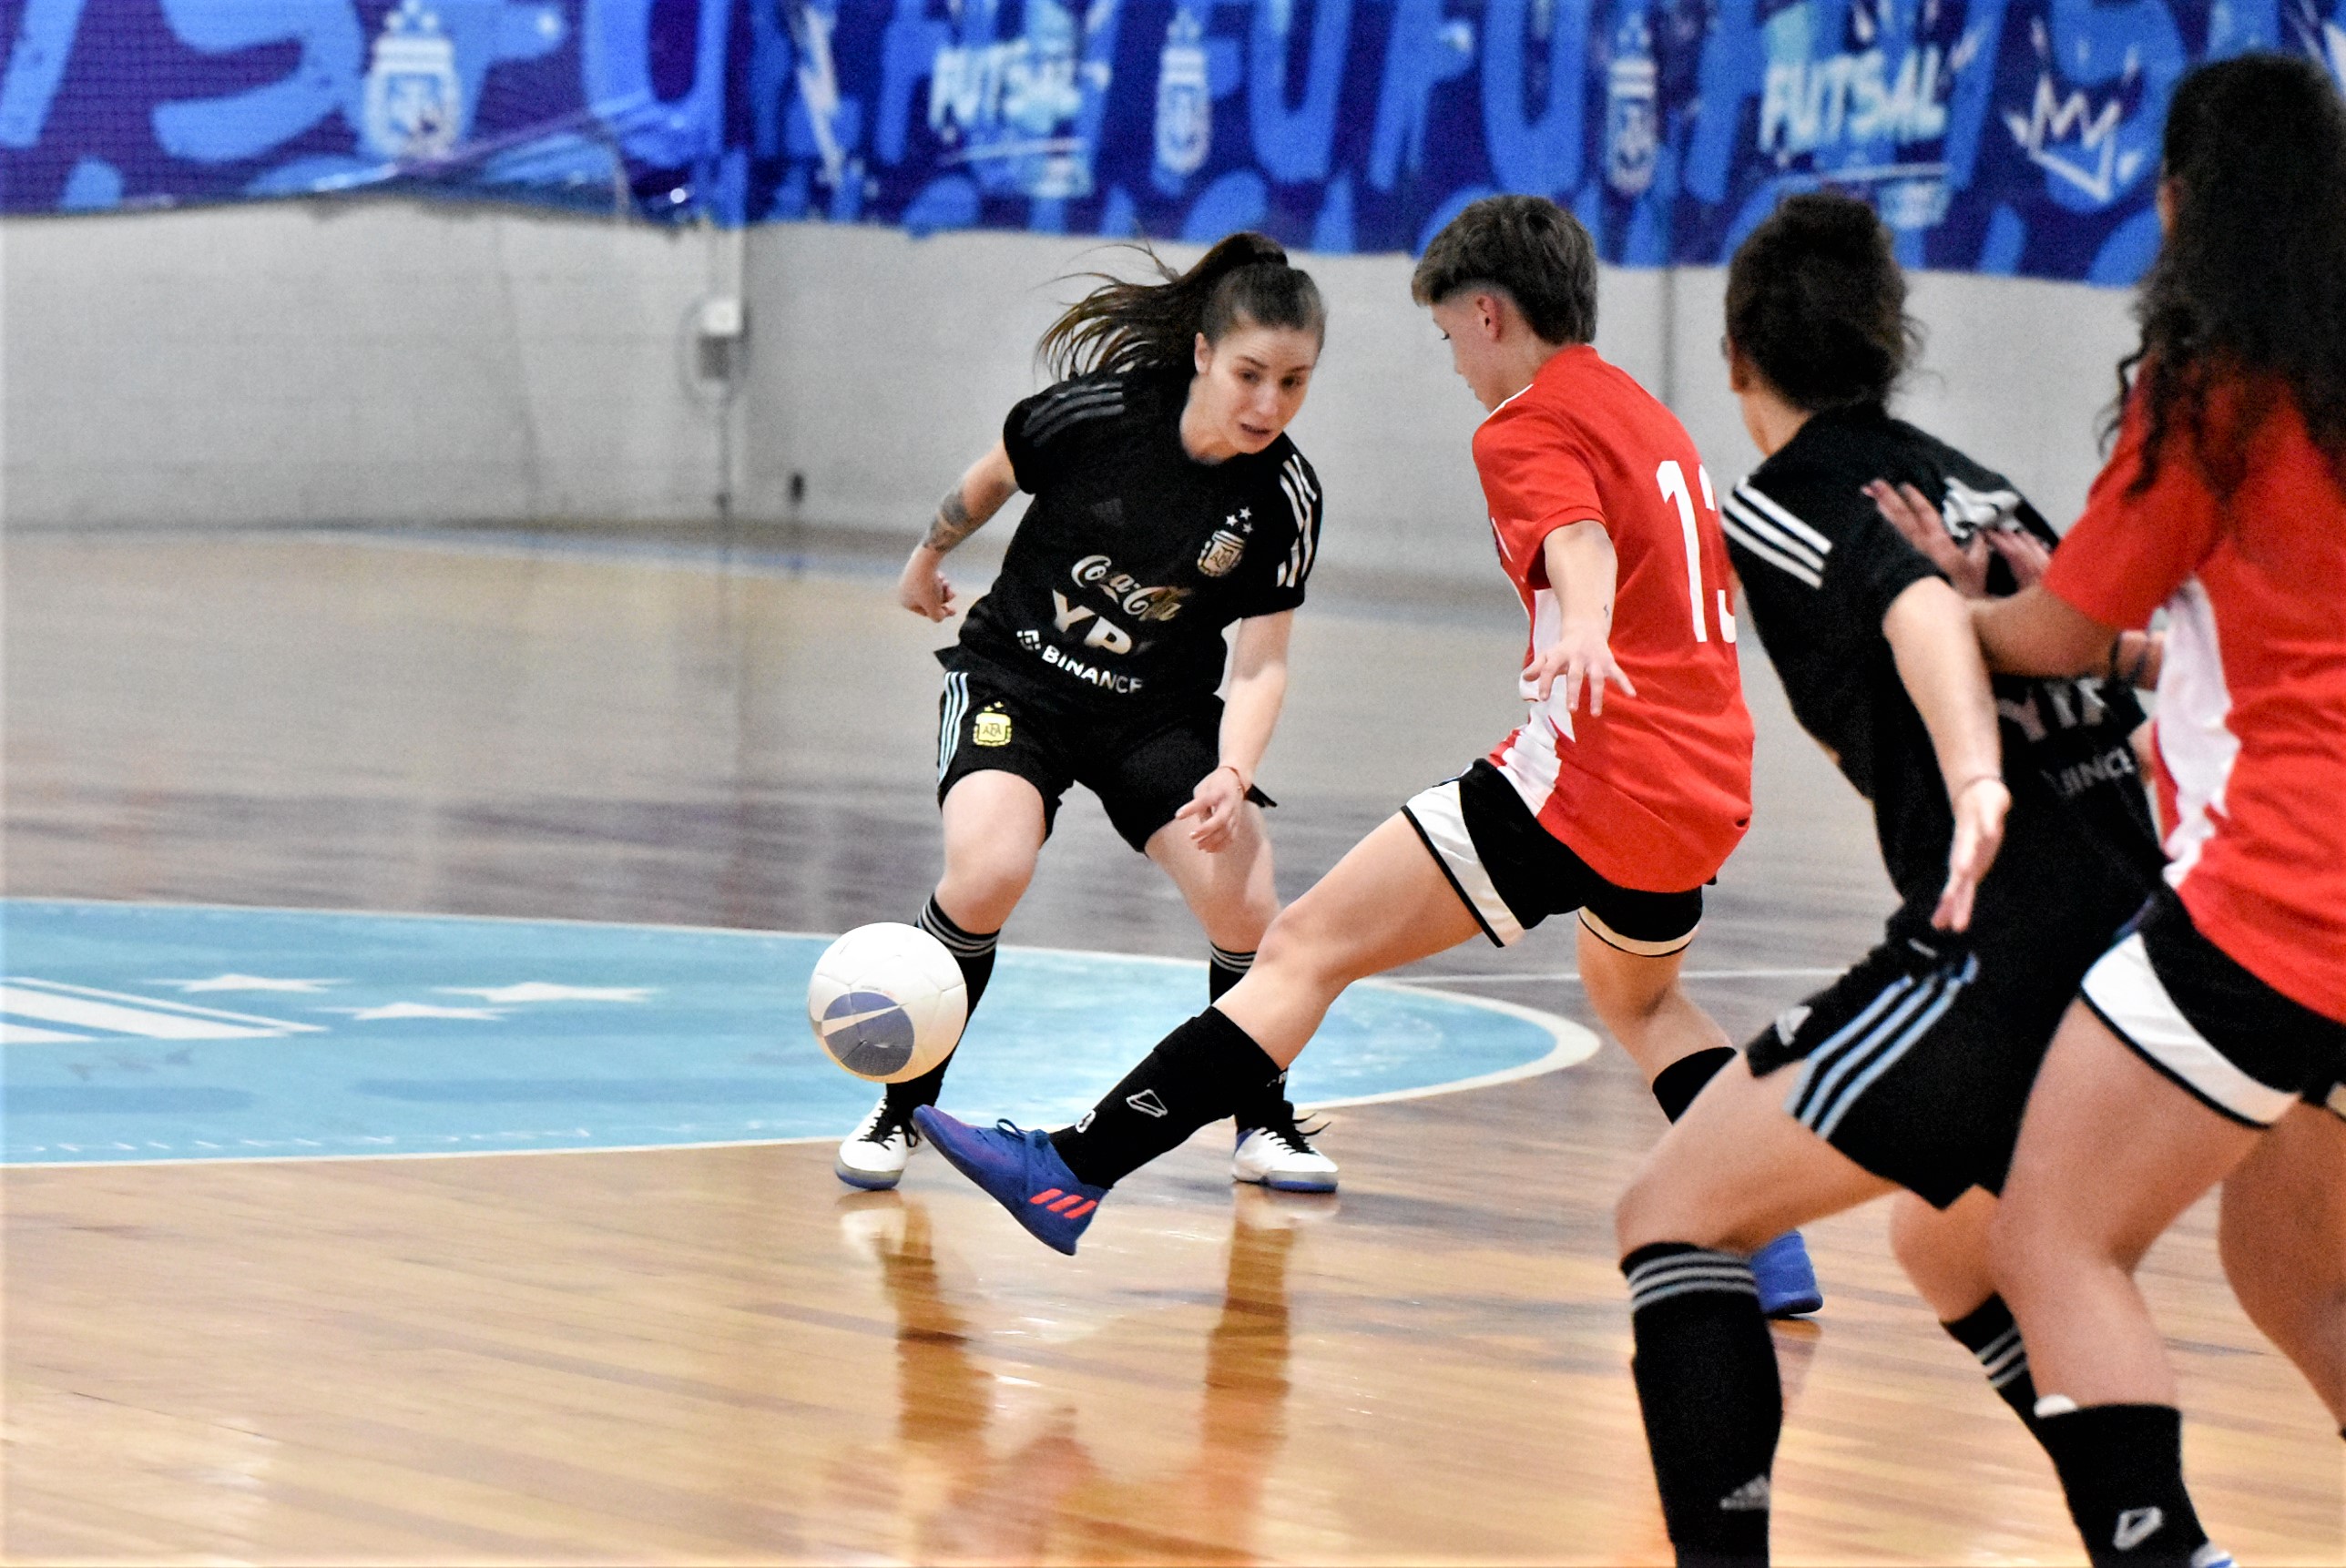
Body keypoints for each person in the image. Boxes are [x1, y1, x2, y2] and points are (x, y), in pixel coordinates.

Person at [914, 196, 1823, 1315]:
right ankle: (1768, 1232)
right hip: (1702, 785)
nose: (1452, 365)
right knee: (1640, 1002)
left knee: (1299, 950)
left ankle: (1069, 1172)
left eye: (1448, 337)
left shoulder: (1525, 423)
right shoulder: (1644, 413)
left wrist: (1582, 620)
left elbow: (1576, 542)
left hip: (1587, 777)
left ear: (1485, 315)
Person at [1606, 192, 2174, 1564]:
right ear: (1886, 338)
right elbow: (2105, 635)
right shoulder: (1967, 472)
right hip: (2135, 915)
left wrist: (1974, 776)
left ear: (1738, 354)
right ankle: (2155, 1541)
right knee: (1955, 1248)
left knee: (1673, 1212)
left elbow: (1921, 611)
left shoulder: (1786, 503)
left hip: (2003, 941)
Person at [1958, 55, 2346, 1565]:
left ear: (2180, 201)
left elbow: (2055, 629)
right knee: (2297, 1278)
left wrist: (1931, 616)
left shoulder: (2217, 382)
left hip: (2285, 898)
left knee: (2050, 1235)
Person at [834, 232, 1339, 1196]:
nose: (1267, 405)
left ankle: (1261, 1119)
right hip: (1016, 684)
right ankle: (902, 1109)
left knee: (1246, 901)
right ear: (1200, 353)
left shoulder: (1282, 497)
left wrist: (1231, 772)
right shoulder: (1099, 415)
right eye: (1248, 375)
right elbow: (990, 476)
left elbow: (1262, 664)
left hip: (1152, 717)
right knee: (987, 871)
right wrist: (924, 557)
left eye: (1294, 382)